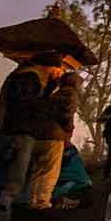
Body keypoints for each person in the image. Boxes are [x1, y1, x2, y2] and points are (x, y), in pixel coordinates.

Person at [0, 52, 63, 221]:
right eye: (58, 68)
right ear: (50, 67)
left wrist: (49, 88)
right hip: (16, 134)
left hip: (12, 132)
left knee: (7, 175)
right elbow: (25, 106)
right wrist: (50, 102)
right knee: (13, 178)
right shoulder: (28, 78)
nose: (59, 72)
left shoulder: (25, 76)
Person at [28, 71, 82, 210]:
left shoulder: (54, 94)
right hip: (54, 136)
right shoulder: (70, 94)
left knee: (38, 170)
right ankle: (43, 202)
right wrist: (67, 131)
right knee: (50, 171)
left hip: (39, 135)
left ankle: (32, 200)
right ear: (74, 83)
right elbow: (67, 113)